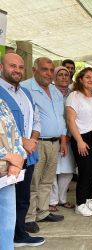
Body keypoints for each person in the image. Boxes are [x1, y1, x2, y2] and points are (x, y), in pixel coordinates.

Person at [0, 53, 44, 247]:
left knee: (22, 197)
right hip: (7, 159)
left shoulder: (26, 92)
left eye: (20, 67)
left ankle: (19, 234)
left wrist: (32, 140)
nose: (17, 70)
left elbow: (36, 118)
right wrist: (23, 141)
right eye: (12, 66)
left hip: (27, 155)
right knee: (6, 202)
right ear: (1, 67)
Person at [21, 57, 68, 227]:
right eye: (44, 69)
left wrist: (63, 140)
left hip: (54, 143)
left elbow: (60, 118)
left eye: (50, 70)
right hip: (36, 143)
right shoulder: (25, 88)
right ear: (34, 70)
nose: (48, 73)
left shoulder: (55, 91)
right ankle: (29, 218)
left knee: (47, 180)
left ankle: (42, 212)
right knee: (33, 181)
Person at [66, 67, 92, 216]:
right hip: (82, 139)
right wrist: (80, 141)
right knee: (86, 171)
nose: (91, 80)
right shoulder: (74, 96)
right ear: (80, 79)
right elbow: (70, 120)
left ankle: (87, 198)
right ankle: (80, 203)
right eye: (87, 77)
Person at [0, 99, 28, 249]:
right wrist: (10, 157)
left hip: (6, 176)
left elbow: (16, 135)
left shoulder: (2, 103)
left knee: (7, 226)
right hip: (6, 164)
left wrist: (17, 162)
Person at [49, 66, 76, 212]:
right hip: (53, 137)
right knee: (52, 170)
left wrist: (69, 135)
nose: (64, 77)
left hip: (70, 138)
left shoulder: (73, 94)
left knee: (67, 170)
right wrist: (61, 135)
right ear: (55, 77)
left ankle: (62, 198)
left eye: (67, 75)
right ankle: (52, 200)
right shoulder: (50, 92)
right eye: (61, 75)